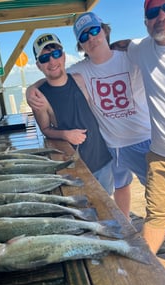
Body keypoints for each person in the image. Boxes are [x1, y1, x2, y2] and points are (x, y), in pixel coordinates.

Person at [27, 13, 151, 221]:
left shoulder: (127, 56)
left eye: (94, 31)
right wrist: (31, 88)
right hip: (108, 147)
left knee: (158, 190)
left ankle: (158, 225)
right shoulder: (76, 74)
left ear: (104, 31)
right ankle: (121, 225)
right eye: (84, 37)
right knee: (109, 194)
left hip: (132, 143)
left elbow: (156, 52)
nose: (91, 38)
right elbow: (55, 83)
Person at [126, 0, 165, 254]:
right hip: (160, 158)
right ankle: (143, 277)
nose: (161, 15)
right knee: (155, 220)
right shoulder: (141, 49)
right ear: (146, 21)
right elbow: (121, 46)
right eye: (152, 12)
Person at [30, 33, 113, 194]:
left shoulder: (80, 78)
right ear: (39, 65)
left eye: (56, 54)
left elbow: (103, 59)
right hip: (74, 167)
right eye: (45, 58)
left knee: (107, 207)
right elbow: (45, 129)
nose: (52, 61)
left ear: (64, 56)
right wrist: (65, 135)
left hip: (103, 159)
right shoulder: (39, 97)